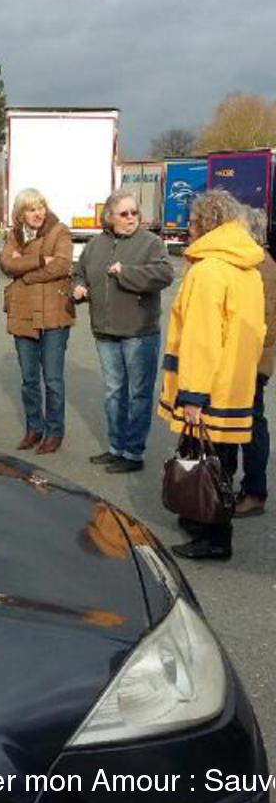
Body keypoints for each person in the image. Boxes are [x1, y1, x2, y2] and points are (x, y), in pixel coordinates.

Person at [158, 190, 265, 561]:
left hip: (209, 386)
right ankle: (199, 519)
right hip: (235, 383)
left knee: (209, 462)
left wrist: (193, 395)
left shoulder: (208, 271)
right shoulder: (247, 268)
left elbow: (202, 339)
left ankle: (215, 536)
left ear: (207, 223)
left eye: (191, 221)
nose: (187, 228)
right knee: (220, 458)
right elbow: (255, 331)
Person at [73, 188, 173, 472]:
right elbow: (78, 272)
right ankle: (116, 447)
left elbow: (164, 274)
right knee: (114, 392)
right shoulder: (95, 244)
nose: (131, 218)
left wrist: (126, 272)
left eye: (134, 212)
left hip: (139, 333)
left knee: (138, 395)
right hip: (105, 331)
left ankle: (133, 453)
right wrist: (77, 287)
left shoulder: (151, 243)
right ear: (109, 217)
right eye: (124, 213)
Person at [0, 188, 74, 454]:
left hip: (54, 314)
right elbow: (6, 264)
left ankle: (54, 431)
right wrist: (41, 259)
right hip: (23, 314)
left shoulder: (59, 231)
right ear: (21, 213)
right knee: (29, 379)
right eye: (31, 209)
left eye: (41, 207)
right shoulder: (14, 235)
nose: (38, 213)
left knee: (52, 379)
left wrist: (26, 274)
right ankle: (34, 428)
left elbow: (62, 265)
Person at [235, 206, 276, 517]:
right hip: (251, 359)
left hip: (251, 361)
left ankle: (254, 492)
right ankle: (250, 489)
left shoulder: (260, 267)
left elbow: (261, 324)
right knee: (249, 423)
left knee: (251, 425)